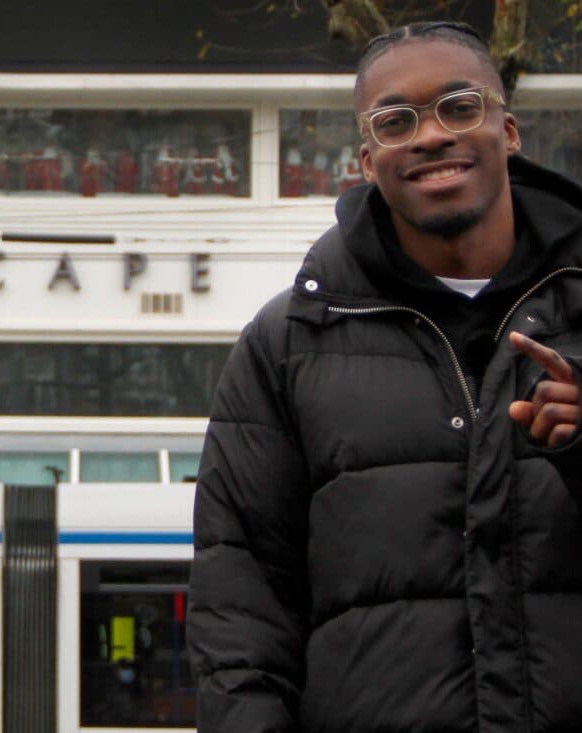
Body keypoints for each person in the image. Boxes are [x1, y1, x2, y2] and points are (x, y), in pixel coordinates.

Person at [188, 21, 582, 731]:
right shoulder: (289, 344)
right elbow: (241, 608)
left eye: (460, 107)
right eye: (396, 122)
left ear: (511, 130)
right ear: (367, 160)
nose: (431, 136)